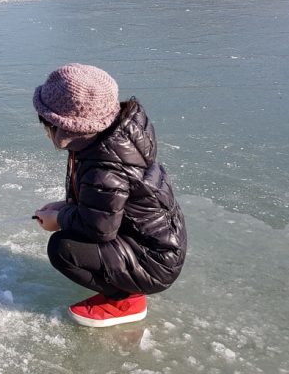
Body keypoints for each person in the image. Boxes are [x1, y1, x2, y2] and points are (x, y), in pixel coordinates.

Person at [33, 63, 187, 327]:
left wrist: (59, 219)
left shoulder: (104, 168)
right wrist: (66, 206)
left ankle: (125, 299)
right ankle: (124, 283)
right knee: (70, 233)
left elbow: (97, 229)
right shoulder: (115, 137)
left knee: (63, 249)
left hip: (154, 261)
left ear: (67, 127)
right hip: (156, 242)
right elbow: (108, 204)